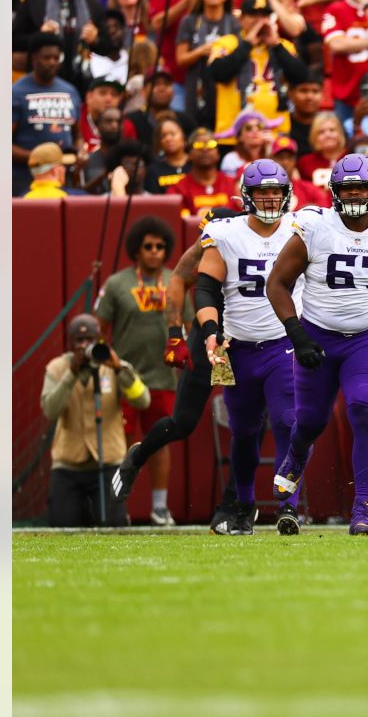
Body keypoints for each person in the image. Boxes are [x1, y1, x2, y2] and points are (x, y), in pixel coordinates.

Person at [266, 154, 368, 536]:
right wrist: (297, 335)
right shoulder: (316, 226)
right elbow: (276, 284)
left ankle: (364, 510)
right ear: (334, 192)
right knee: (310, 423)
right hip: (317, 337)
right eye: (347, 187)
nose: (354, 194)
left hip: (366, 339)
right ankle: (294, 457)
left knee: (364, 411)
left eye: (361, 187)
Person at [182, 161, 307, 534]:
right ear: (246, 196)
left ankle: (288, 506)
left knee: (288, 421)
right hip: (237, 346)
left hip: (284, 342)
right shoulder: (226, 232)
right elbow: (204, 287)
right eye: (261, 192)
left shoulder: (303, 228)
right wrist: (209, 330)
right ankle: (244, 506)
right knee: (244, 431)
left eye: (275, 192)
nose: (269, 199)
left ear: (286, 195)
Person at [110, 207, 249, 534]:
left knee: (248, 422)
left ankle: (234, 504)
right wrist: (176, 335)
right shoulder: (218, 233)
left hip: (251, 338)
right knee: (183, 421)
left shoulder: (276, 233)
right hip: (212, 336)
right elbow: (180, 278)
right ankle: (137, 457)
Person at [95, 216, 191, 526]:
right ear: (136, 249)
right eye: (147, 246)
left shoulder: (176, 281)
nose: (154, 251)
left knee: (159, 442)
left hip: (164, 376)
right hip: (124, 377)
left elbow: (189, 327)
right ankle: (117, 507)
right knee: (118, 442)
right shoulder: (117, 283)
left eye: (160, 247)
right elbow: (99, 328)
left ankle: (159, 507)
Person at [43, 315, 151, 527]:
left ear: (99, 340)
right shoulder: (57, 368)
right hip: (68, 464)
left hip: (109, 460)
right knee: (61, 527)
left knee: (114, 526)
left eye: (89, 339)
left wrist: (120, 370)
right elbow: (50, 410)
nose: (84, 346)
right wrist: (71, 373)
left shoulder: (112, 363)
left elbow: (143, 400)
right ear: (70, 343)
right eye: (78, 340)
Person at [206, 0, 308, 140]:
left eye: (264, 15)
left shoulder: (282, 46)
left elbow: (301, 77)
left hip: (275, 134)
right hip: (235, 134)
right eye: (253, 15)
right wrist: (247, 44)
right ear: (241, 19)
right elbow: (218, 74)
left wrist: (276, 46)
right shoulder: (226, 43)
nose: (259, 20)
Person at [13, 33, 82, 196]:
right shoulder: (16, 92)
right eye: (47, 57)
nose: (52, 62)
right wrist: (40, 158)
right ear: (34, 58)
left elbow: (77, 135)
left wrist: (81, 152)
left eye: (56, 58)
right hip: (26, 177)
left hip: (62, 175)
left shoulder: (69, 91)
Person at [176, 0, 240, 128]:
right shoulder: (189, 21)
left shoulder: (233, 22)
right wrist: (200, 51)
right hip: (197, 90)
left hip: (225, 90)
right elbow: (180, 59)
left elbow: (241, 57)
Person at [167, 128, 241, 216]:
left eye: (211, 144)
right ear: (189, 154)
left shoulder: (234, 185)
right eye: (198, 145)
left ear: (218, 153)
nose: (205, 149)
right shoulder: (177, 189)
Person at [80, 77, 139, 155]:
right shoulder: (77, 119)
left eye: (114, 95)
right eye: (103, 93)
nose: (108, 99)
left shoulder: (127, 126)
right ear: (89, 97)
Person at [269, 135, 330, 207]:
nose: (285, 162)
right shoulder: (263, 193)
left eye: (289, 157)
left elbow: (325, 214)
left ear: (295, 160)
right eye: (280, 157)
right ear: (271, 160)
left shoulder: (310, 190)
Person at [297, 113, 347, 188]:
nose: (328, 135)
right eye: (321, 132)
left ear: (340, 133)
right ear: (314, 137)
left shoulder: (352, 158)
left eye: (332, 130)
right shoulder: (305, 162)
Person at [145, 115, 191, 194]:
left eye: (173, 134)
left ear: (183, 137)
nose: (168, 139)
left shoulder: (197, 165)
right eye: (163, 136)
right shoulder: (153, 171)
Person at [286, 70, 326, 156]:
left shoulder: (329, 126)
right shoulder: (283, 125)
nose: (309, 97)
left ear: (323, 94)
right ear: (290, 94)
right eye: (303, 91)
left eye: (315, 91)